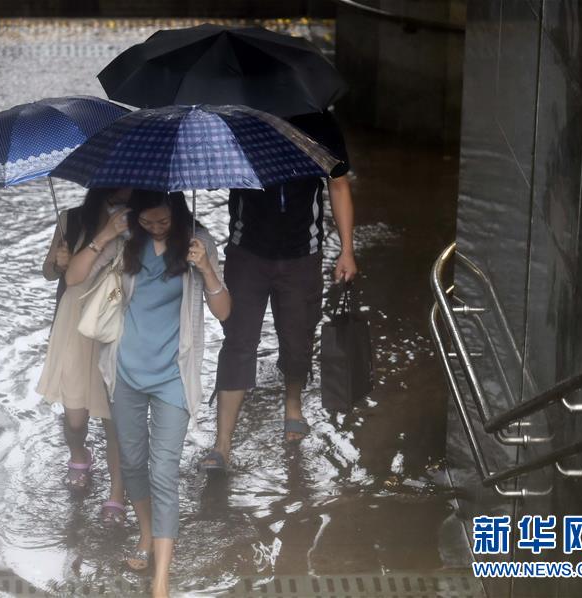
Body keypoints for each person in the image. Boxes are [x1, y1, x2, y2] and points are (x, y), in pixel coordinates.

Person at [65, 189, 230, 598]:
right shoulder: (124, 240)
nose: (155, 228)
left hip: (173, 376)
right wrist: (104, 234)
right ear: (135, 216)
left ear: (177, 212)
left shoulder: (198, 241)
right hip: (125, 374)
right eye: (148, 222)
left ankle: (161, 579)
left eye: (163, 222)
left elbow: (225, 311)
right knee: (134, 464)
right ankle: (145, 533)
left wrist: (206, 268)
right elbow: (74, 278)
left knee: (164, 471)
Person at [201, 110, 358, 472]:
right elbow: (212, 174)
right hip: (247, 252)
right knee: (238, 341)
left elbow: (338, 183)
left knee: (298, 337)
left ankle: (293, 405)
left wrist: (347, 250)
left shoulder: (319, 124)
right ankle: (222, 444)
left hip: (303, 252)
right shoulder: (239, 120)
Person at [36, 187, 131, 525]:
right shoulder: (73, 218)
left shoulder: (145, 219)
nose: (127, 188)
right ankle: (79, 454)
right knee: (75, 416)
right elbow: (49, 272)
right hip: (75, 322)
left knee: (115, 419)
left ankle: (117, 493)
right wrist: (57, 262)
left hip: (120, 322)